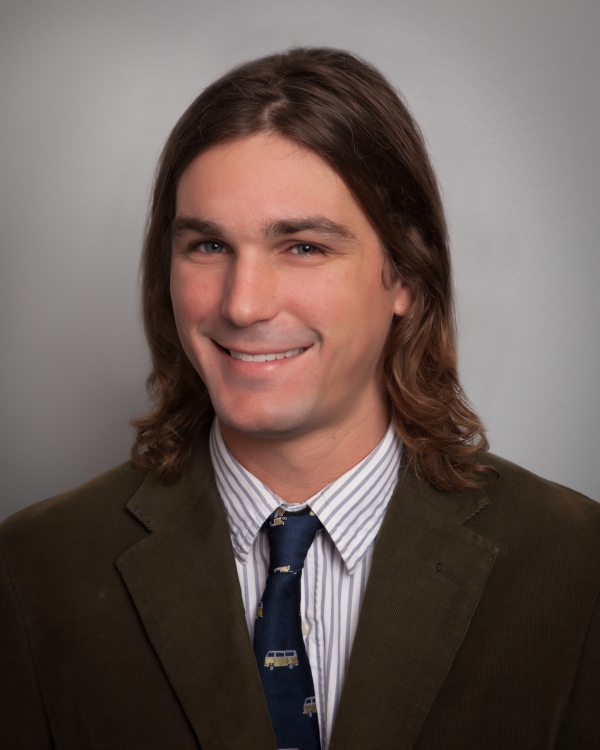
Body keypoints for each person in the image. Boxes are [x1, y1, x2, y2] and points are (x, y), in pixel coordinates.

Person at [1, 47, 599, 750]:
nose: (243, 304)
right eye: (208, 246)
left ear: (407, 276)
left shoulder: (576, 563)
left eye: (304, 247)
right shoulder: (33, 570)